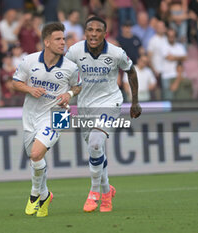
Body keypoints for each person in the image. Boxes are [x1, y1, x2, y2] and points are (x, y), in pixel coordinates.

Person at [65, 16, 141, 213]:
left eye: (98, 30)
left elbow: (131, 71)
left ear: (104, 34)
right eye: (90, 30)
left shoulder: (116, 53)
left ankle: (94, 192)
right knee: (95, 150)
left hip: (110, 102)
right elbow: (63, 73)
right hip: (85, 105)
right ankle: (107, 190)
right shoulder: (75, 51)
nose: (93, 34)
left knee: (96, 143)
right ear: (85, 32)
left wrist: (134, 101)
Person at [12, 22, 82, 217]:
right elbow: (15, 82)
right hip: (31, 115)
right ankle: (45, 194)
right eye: (58, 39)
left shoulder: (70, 67)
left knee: (35, 154)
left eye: (64, 39)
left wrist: (69, 93)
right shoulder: (30, 61)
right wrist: (30, 89)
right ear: (47, 42)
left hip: (58, 115)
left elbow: (78, 86)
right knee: (35, 157)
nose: (63, 43)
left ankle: (35, 194)